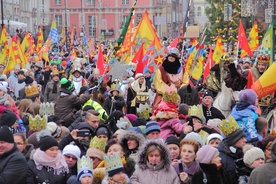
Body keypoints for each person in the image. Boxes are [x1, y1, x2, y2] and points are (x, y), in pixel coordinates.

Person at [153, 47, 189, 112]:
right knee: (158, 109)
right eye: (170, 56)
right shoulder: (161, 69)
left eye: (173, 56)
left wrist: (179, 91)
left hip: (178, 96)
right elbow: (158, 83)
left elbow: (185, 82)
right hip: (163, 95)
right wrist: (169, 92)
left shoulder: (182, 69)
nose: (171, 57)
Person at [217, 116, 247, 182]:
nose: (245, 140)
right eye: (241, 138)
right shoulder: (221, 157)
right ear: (233, 140)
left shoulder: (243, 152)